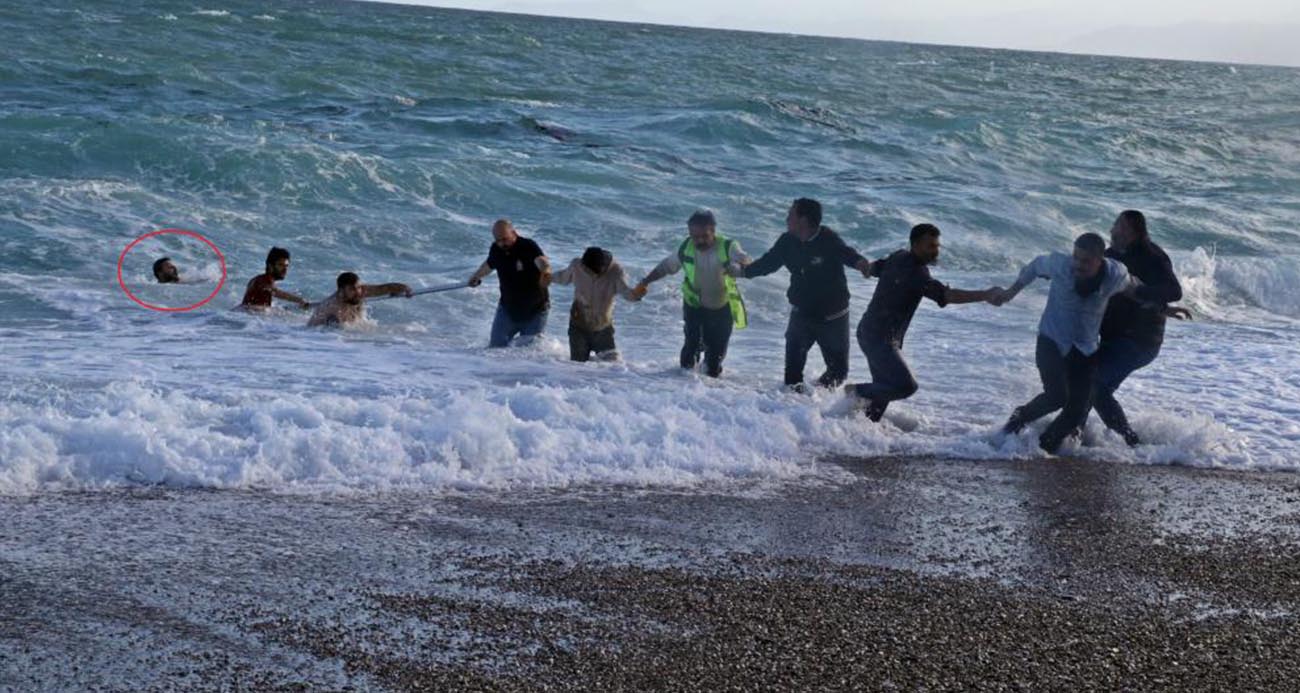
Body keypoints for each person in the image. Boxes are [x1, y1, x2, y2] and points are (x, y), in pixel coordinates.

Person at [994, 233, 1143, 453]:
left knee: (1077, 409)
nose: (1078, 265)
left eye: (1085, 261)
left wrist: (1161, 306)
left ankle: (1044, 449)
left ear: (1099, 260)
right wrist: (1010, 292)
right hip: (1051, 341)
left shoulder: (1114, 274)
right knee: (1057, 397)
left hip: (1086, 348)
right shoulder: (1059, 265)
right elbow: (1034, 267)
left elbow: (1133, 286)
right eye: (1076, 257)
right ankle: (1019, 418)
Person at [846, 223, 1001, 421]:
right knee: (905, 386)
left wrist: (866, 268)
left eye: (937, 246)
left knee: (884, 388)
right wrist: (985, 295)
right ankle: (855, 391)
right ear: (916, 245)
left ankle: (860, 428)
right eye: (930, 246)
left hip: (869, 331)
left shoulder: (898, 256)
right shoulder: (918, 273)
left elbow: (876, 268)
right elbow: (947, 295)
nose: (935, 251)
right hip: (880, 338)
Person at [738, 198, 873, 391]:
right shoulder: (787, 241)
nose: (786, 219)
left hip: (833, 317)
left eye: (790, 215)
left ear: (803, 220)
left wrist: (860, 263)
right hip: (801, 315)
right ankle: (791, 408)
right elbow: (768, 263)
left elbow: (846, 253)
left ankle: (816, 399)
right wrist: (742, 272)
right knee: (792, 376)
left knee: (838, 373)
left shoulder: (828, 239)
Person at [1089, 210, 1186, 446]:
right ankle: (1129, 442)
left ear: (1133, 232)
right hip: (1114, 338)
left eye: (1118, 226)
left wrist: (1137, 290)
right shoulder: (1111, 255)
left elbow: (1174, 291)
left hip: (1139, 340)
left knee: (1093, 385)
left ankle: (1127, 441)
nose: (1112, 230)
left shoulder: (1152, 256)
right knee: (1093, 390)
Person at [635, 209, 750, 378]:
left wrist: (738, 267)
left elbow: (745, 259)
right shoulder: (686, 247)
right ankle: (683, 388)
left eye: (704, 236)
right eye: (695, 236)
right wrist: (645, 281)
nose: (699, 241)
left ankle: (709, 394)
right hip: (694, 304)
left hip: (721, 307)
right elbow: (665, 267)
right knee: (690, 349)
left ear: (713, 231)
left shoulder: (727, 246)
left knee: (714, 361)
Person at [550, 246, 644, 362]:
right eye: (589, 271)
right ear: (583, 265)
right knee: (577, 367)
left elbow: (626, 293)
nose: (593, 274)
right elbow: (563, 278)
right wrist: (548, 277)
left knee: (612, 367)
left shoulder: (615, 271)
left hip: (603, 329)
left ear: (603, 265)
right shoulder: (576, 266)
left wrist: (637, 294)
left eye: (597, 271)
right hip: (578, 327)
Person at [467, 219, 551, 347]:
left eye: (505, 239)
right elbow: (489, 265)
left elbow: (541, 261)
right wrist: (476, 276)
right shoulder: (496, 249)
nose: (502, 243)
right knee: (495, 349)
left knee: (528, 353)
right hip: (508, 309)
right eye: (498, 240)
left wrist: (545, 269)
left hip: (536, 310)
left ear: (514, 233)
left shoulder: (528, 246)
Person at [307, 272, 411, 327]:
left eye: (359, 287)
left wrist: (404, 288)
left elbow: (383, 288)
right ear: (341, 291)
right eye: (352, 289)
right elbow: (311, 328)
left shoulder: (360, 292)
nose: (358, 292)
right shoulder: (329, 306)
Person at [239, 247, 310, 311]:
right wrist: (300, 300)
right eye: (281, 265)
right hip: (247, 317)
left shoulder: (256, 279)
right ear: (270, 266)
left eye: (286, 266)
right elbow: (276, 292)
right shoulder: (263, 281)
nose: (285, 269)